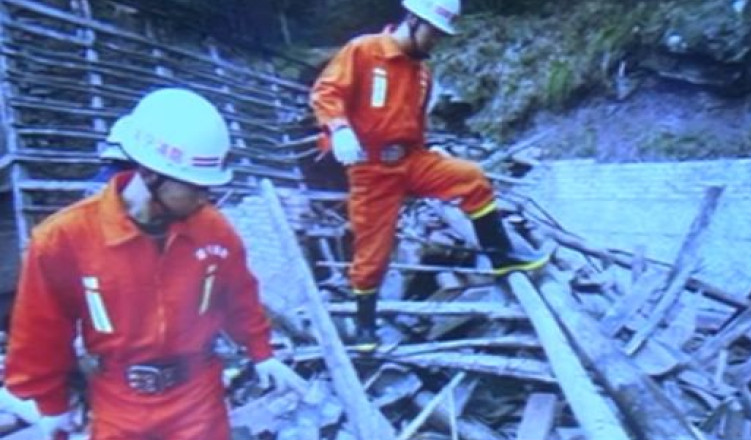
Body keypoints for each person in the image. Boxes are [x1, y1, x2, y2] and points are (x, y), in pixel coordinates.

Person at [3, 88, 306, 439]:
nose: (204, 197)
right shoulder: (64, 239)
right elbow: (40, 331)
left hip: (199, 400)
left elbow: (239, 295)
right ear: (149, 175)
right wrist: (50, 404)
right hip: (120, 403)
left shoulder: (213, 229)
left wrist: (261, 352)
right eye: (194, 187)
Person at [310, 0, 549, 352]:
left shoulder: (422, 73)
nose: (436, 41)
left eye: (440, 35)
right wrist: (339, 128)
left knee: (473, 178)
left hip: (413, 159)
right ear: (413, 20)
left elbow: (414, 121)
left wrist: (427, 149)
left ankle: (502, 258)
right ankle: (365, 324)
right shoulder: (364, 50)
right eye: (433, 33)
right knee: (372, 251)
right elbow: (326, 92)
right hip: (372, 168)